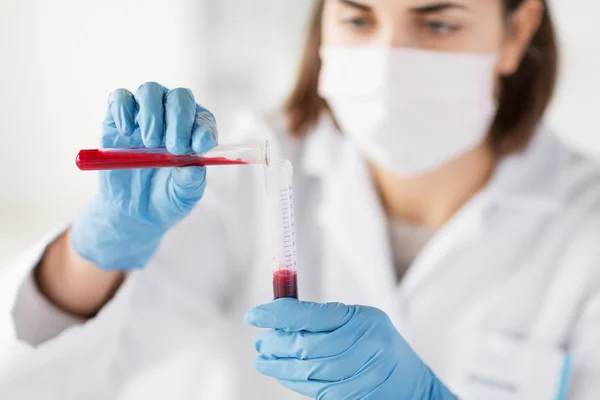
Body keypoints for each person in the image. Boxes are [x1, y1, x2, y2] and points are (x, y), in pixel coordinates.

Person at [1, 0, 599, 398]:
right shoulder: (240, 177)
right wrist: (99, 249)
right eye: (358, 21)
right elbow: (42, 384)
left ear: (517, 31)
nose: (388, 62)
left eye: (438, 23)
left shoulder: (586, 227)